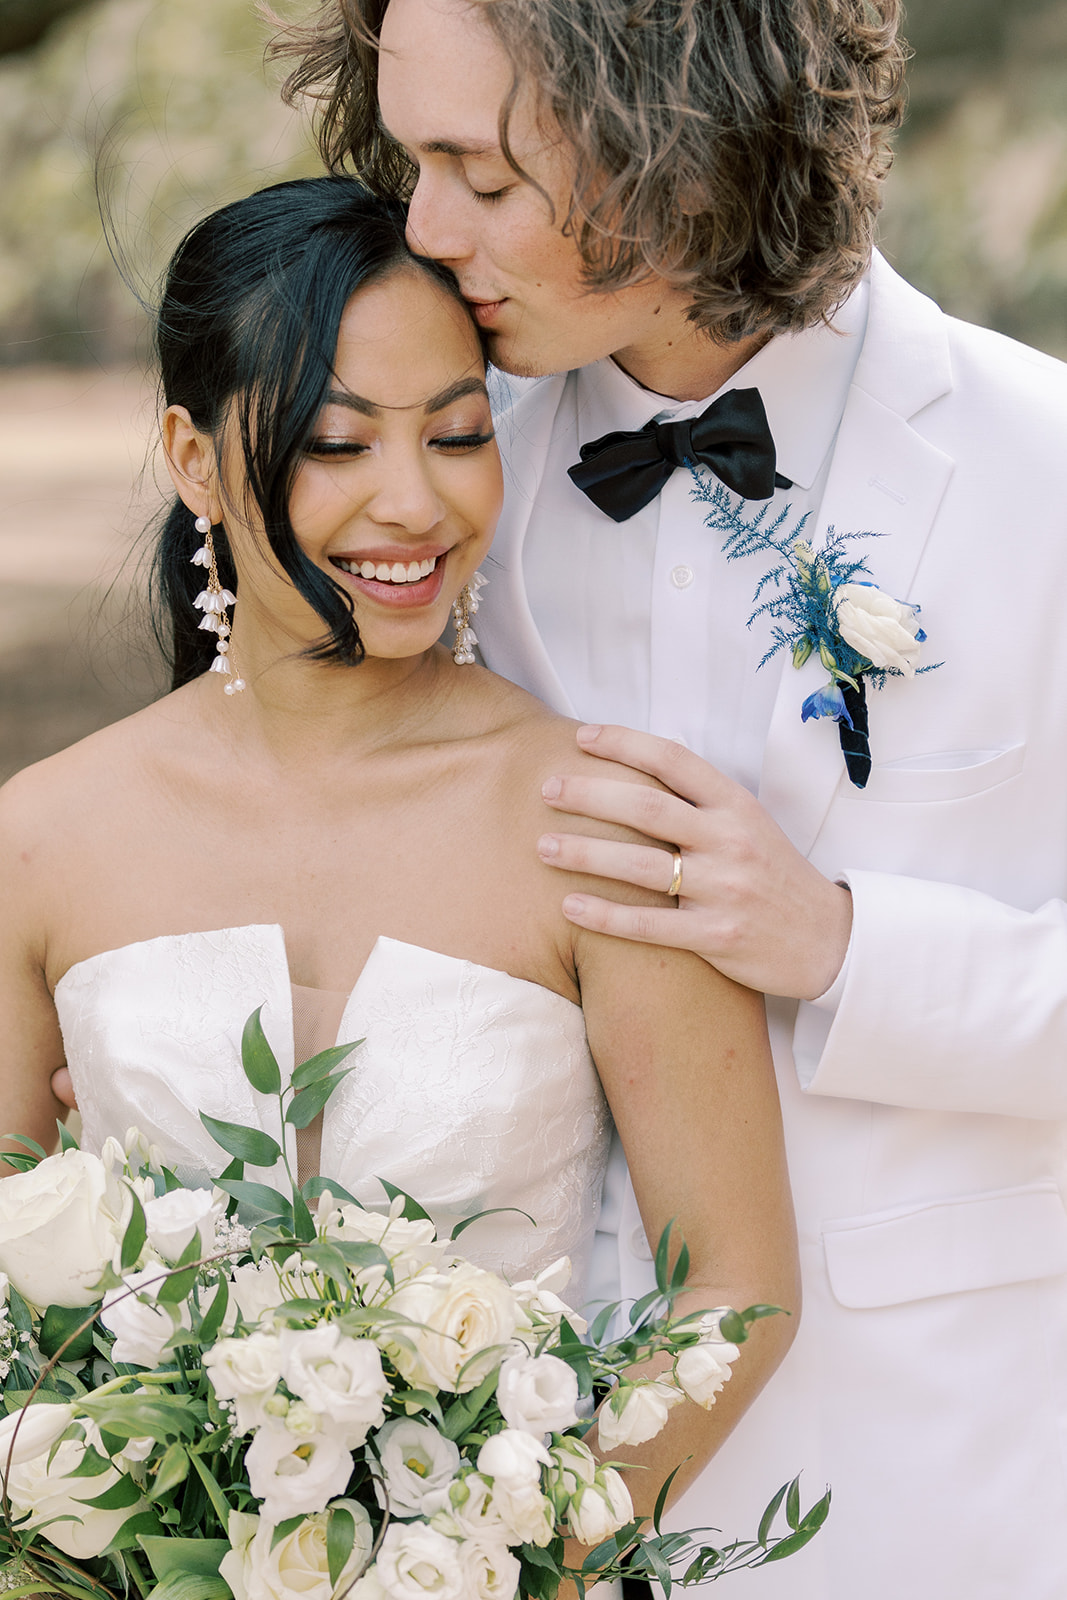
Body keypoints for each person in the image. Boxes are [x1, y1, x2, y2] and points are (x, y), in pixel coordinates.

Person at [278, 2, 1067, 1596]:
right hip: (476, 1469)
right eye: (412, 156)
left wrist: (845, 946)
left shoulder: (1043, 471)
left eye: (481, 178)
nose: (424, 227)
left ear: (686, 152)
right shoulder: (422, 479)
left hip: (928, 1476)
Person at [2, 175, 798, 1591]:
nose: (413, 502)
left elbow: (734, 1293)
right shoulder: (43, 838)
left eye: (456, 433)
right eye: (334, 442)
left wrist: (516, 1556)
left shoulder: (602, 816)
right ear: (194, 459)